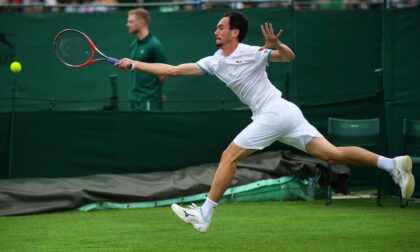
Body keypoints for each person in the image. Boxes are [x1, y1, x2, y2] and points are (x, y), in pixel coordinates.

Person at [115, 11, 415, 233]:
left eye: (221, 27)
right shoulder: (214, 61)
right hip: (283, 114)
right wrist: (136, 64)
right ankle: (393, 165)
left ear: (235, 32)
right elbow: (173, 70)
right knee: (332, 154)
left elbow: (290, 57)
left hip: (276, 112)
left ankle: (205, 215)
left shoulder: (253, 53)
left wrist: (277, 46)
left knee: (228, 156)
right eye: (216, 27)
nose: (216, 31)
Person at [126, 8, 167, 111]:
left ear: (141, 23)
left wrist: (155, 93)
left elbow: (163, 74)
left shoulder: (154, 45)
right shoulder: (134, 44)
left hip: (149, 100)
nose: (127, 24)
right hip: (134, 99)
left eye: (131, 21)